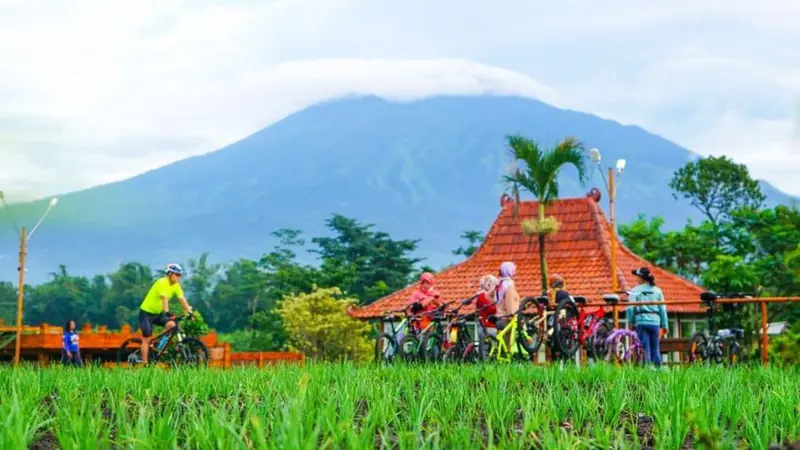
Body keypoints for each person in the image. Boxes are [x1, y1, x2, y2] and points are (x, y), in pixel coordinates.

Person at [139, 263, 194, 364]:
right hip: (146, 314)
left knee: (172, 325)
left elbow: (182, 299)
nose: (179, 277)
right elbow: (164, 299)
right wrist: (167, 312)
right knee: (147, 338)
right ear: (170, 274)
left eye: (180, 275)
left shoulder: (176, 286)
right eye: (177, 275)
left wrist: (190, 312)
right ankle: (145, 364)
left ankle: (158, 346)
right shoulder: (162, 283)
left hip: (158, 314)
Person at [626, 267, 668, 367]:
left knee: (645, 349)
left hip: (641, 322)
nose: (636, 279)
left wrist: (631, 322)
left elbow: (630, 309)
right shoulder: (657, 291)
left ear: (641, 278)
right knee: (655, 348)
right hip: (655, 323)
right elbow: (662, 309)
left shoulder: (635, 291)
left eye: (637, 277)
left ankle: (647, 371)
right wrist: (665, 325)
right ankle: (658, 370)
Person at [495, 261, 521, 346]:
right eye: (513, 271)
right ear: (508, 271)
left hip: (498, 317)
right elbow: (509, 302)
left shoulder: (499, 283)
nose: (514, 273)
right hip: (507, 319)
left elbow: (489, 296)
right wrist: (511, 316)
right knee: (508, 345)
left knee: (501, 344)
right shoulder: (509, 284)